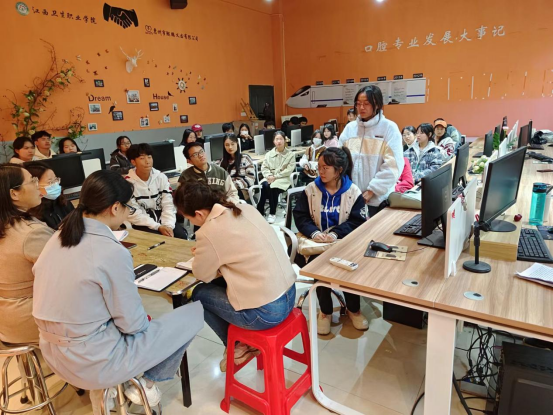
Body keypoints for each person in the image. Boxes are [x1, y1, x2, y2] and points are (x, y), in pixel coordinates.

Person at [32, 170, 203, 412]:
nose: (127, 212)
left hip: (53, 355)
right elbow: (133, 325)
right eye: (128, 207)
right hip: (93, 361)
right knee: (194, 314)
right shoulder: (110, 250)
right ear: (115, 208)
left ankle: (111, 387)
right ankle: (148, 382)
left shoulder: (58, 236)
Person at [174, 181, 296, 371]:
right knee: (220, 283)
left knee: (198, 293)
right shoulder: (244, 208)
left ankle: (238, 345)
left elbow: (202, 274)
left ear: (199, 214)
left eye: (188, 218)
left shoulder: (209, 231)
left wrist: (205, 255)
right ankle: (242, 344)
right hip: (290, 294)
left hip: (267, 313)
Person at [293, 147, 368, 334]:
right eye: (319, 167)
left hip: (343, 244)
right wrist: (313, 233)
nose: (320, 171)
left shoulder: (353, 192)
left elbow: (357, 221)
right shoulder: (311, 190)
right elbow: (300, 216)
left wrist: (335, 233)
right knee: (320, 267)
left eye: (326, 168)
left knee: (350, 268)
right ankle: (325, 312)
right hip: (316, 246)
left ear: (339, 170)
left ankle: (354, 309)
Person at [0, 163, 54, 344]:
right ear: (14, 193)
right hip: (27, 319)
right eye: (32, 181)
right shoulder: (31, 233)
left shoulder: (7, 225)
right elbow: (65, 274)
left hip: (6, 316)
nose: (38, 186)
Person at [339, 85, 404, 217]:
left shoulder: (389, 128)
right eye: (358, 104)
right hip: (350, 198)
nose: (361, 107)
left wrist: (372, 191)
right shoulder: (350, 129)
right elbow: (339, 160)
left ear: (377, 104)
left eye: (366, 103)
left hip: (377, 201)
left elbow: (393, 166)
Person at [126, 144, 188, 239]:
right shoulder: (128, 183)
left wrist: (168, 225)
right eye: (142, 158)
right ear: (133, 162)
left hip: (163, 216)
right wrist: (157, 227)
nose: (147, 161)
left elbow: (168, 204)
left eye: (149, 157)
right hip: (142, 220)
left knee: (181, 236)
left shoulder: (161, 177)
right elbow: (133, 213)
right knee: (158, 239)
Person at [257, 131, 295, 224]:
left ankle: (271, 212)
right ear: (274, 141)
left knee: (272, 187)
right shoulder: (269, 154)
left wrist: (275, 176)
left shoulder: (290, 154)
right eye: (277, 139)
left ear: (284, 140)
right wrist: (269, 175)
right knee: (264, 186)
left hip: (283, 179)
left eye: (281, 139)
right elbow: (264, 167)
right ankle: (261, 210)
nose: (279, 141)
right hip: (270, 177)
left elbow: (289, 170)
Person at [25, 162, 74, 230]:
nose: (55, 184)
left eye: (56, 179)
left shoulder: (64, 203)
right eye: (50, 182)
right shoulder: (34, 216)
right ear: (35, 185)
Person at [217, 134, 255, 199]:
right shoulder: (222, 161)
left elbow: (251, 178)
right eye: (227, 145)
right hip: (227, 190)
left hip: (243, 190)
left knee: (227, 199)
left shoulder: (245, 158)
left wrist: (234, 186)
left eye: (232, 144)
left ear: (237, 144)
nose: (230, 147)